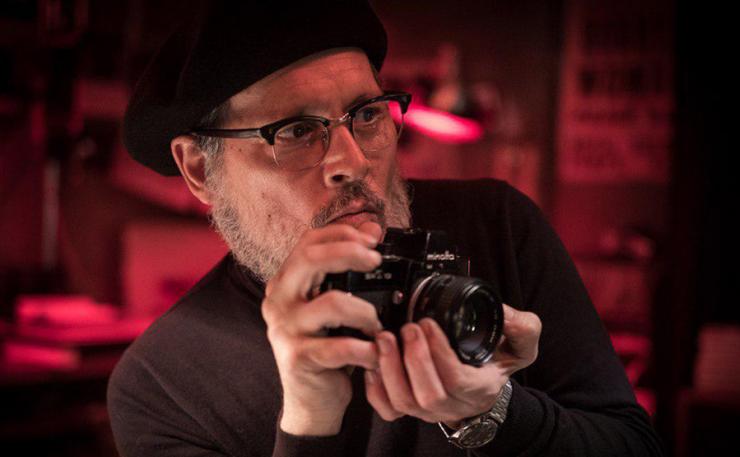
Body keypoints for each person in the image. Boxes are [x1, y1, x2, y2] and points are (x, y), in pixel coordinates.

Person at [107, 1, 663, 456]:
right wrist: (308, 424)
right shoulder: (163, 384)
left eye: (367, 114)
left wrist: (493, 412)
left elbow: (636, 446)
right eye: (297, 130)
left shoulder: (498, 225)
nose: (353, 161)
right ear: (200, 169)